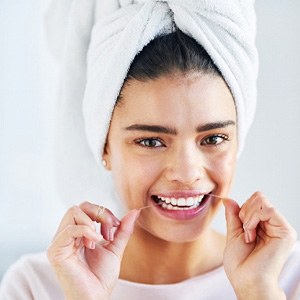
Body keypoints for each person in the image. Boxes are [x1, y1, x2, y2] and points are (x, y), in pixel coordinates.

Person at [1, 1, 300, 299]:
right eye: (151, 141)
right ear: (104, 146)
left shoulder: (284, 276)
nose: (186, 174)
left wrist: (258, 291)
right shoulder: (35, 287)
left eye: (213, 138)